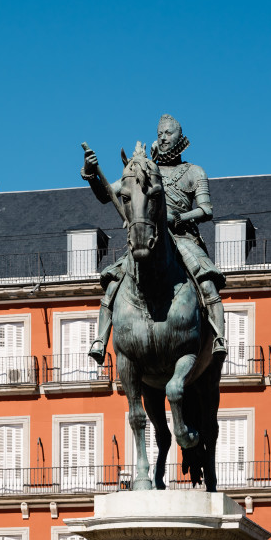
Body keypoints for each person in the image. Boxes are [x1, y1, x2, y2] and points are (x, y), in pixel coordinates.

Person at [81, 114, 226, 364]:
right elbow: (108, 195)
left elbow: (206, 210)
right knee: (116, 280)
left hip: (182, 237)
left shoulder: (194, 172)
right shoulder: (147, 170)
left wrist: (178, 217)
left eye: (169, 133)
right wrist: (92, 174)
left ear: (180, 137)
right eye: (160, 133)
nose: (163, 137)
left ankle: (218, 337)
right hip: (149, 236)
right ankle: (100, 340)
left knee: (205, 280)